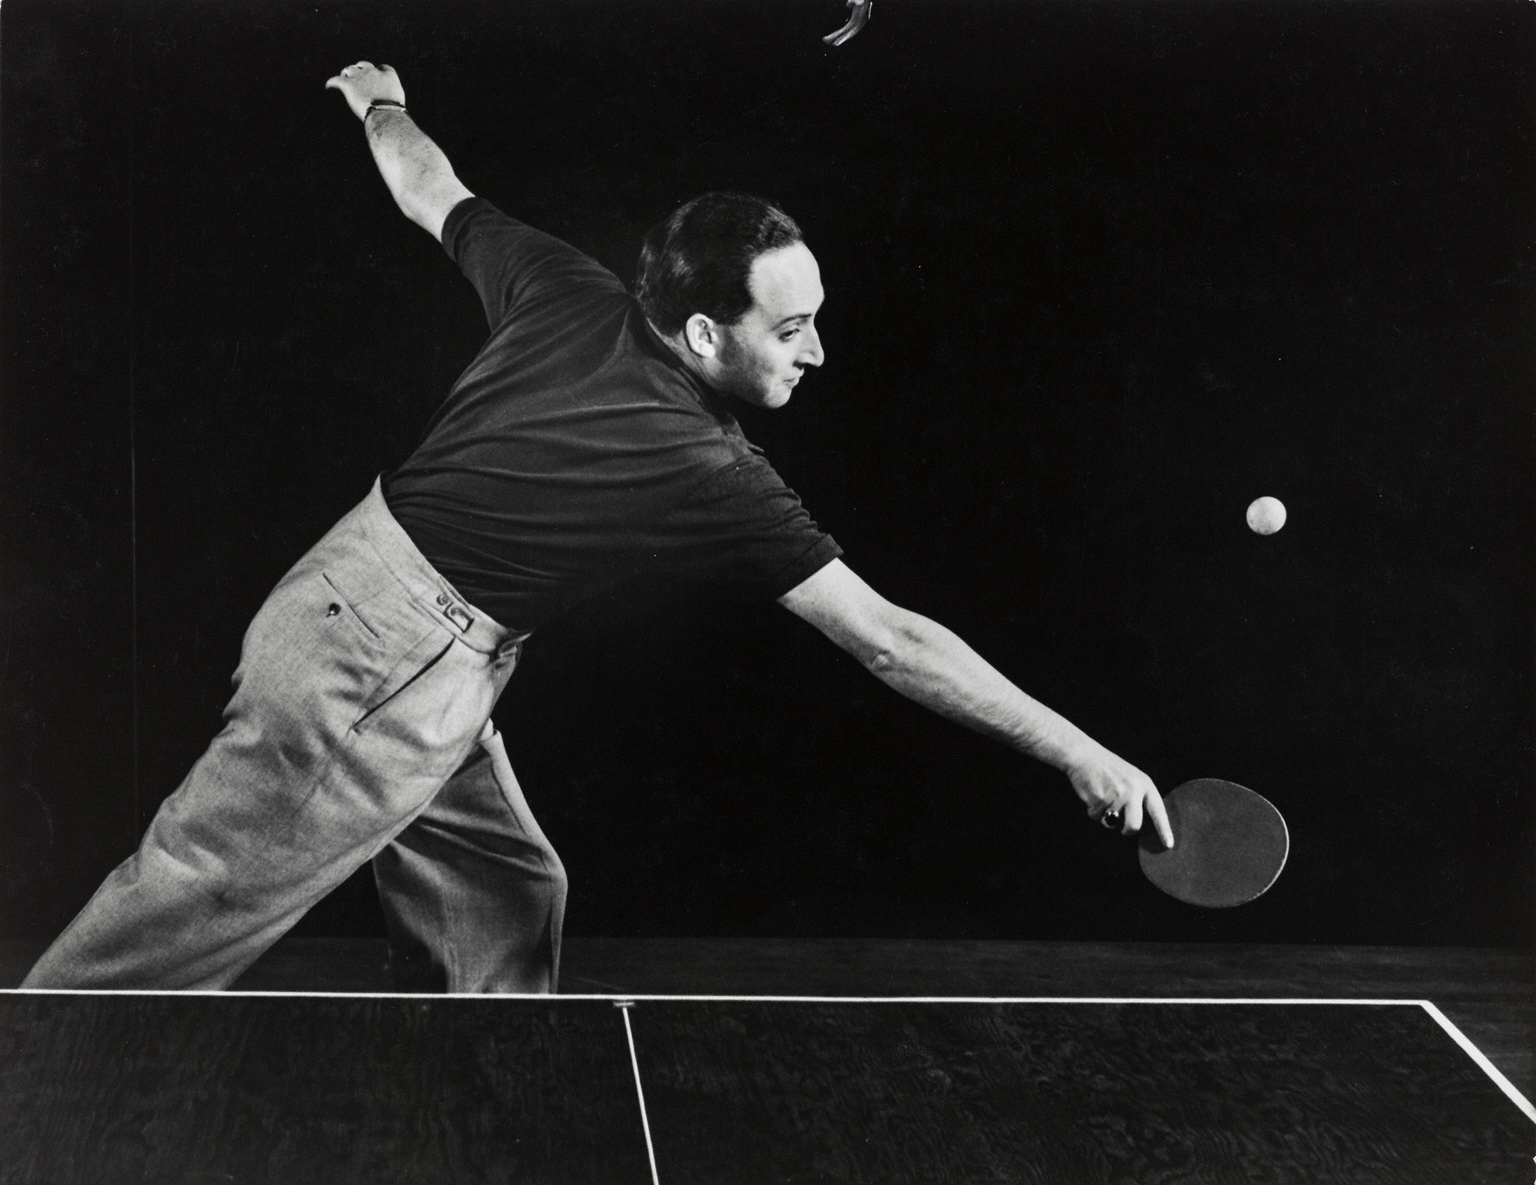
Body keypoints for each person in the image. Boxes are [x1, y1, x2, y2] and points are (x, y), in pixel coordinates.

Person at [23, 63, 1172, 994]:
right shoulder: (706, 468)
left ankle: (473, 1101)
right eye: (792, 330)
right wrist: (1079, 750)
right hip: (385, 664)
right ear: (706, 335)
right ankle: (29, 1082)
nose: (818, 352)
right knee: (181, 916)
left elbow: (431, 188)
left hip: (353, 594)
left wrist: (379, 103)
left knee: (503, 895)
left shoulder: (560, 283)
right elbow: (890, 640)